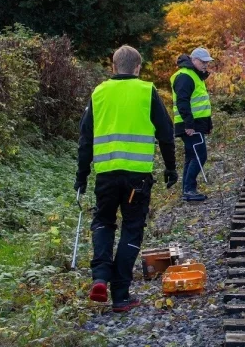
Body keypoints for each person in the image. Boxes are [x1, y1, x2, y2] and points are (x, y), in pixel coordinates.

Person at [75, 45, 178, 313]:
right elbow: (166, 133)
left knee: (103, 222)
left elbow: (85, 138)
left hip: (106, 174)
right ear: (137, 68)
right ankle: (120, 294)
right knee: (132, 227)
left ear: (113, 66)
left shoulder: (99, 93)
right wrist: (170, 168)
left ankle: (99, 277)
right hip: (137, 177)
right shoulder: (147, 91)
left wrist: (82, 175)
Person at [170, 47, 214, 202]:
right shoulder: (185, 77)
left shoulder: (193, 75)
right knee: (199, 155)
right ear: (193, 60)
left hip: (193, 124)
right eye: (202, 62)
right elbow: (183, 102)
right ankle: (189, 189)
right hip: (189, 125)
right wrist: (189, 125)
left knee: (191, 156)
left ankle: (187, 190)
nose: (205, 65)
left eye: (207, 62)